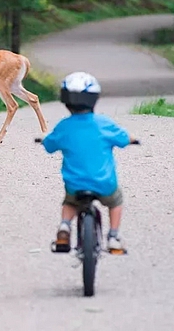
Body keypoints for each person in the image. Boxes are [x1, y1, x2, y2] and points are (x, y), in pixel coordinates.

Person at [39, 71, 139, 252]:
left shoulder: (63, 127)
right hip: (105, 184)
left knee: (70, 202)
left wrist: (45, 139)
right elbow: (124, 138)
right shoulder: (104, 124)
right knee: (116, 200)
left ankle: (64, 227)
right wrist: (133, 138)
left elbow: (49, 145)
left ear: (65, 100)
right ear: (94, 99)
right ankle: (114, 236)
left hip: (75, 185)